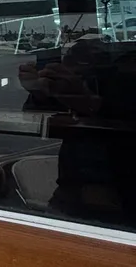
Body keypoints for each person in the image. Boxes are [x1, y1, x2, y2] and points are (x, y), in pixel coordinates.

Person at [18, 36, 136, 226]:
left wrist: (84, 98)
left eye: (80, 65)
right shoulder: (70, 87)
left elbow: (122, 120)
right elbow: (36, 123)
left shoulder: (124, 87)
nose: (69, 70)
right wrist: (40, 92)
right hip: (70, 193)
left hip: (122, 198)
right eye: (67, 63)